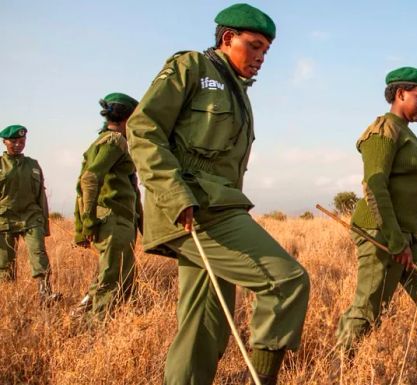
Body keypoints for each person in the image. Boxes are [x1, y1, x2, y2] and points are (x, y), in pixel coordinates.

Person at [126, 4, 309, 385]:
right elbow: (143, 129)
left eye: (265, 52)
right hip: (196, 211)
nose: (260, 58)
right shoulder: (191, 67)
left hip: (216, 207)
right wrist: (175, 195)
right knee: (286, 281)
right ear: (227, 39)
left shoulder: (237, 90)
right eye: (254, 46)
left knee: (204, 327)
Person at [335, 67, 417, 355]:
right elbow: (375, 186)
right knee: (369, 310)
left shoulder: (407, 134)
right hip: (382, 232)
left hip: (412, 234)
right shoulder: (383, 131)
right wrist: (394, 239)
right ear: (400, 94)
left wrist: (407, 238)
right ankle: (341, 363)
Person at [72, 93, 142, 320]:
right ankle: (95, 331)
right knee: (112, 282)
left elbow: (82, 184)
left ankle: (80, 318)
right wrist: (87, 220)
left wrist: (83, 223)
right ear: (128, 118)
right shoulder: (115, 141)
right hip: (114, 219)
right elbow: (90, 179)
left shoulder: (101, 141)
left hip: (116, 219)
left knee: (112, 277)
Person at [0, 124, 60, 303]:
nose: (18, 144)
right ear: (5, 142)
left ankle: (45, 294)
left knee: (39, 254)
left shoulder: (33, 165)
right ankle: (8, 300)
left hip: (31, 218)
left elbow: (41, 196)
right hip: (4, 220)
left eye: (22, 141)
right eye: (14, 141)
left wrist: (45, 225)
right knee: (4, 263)